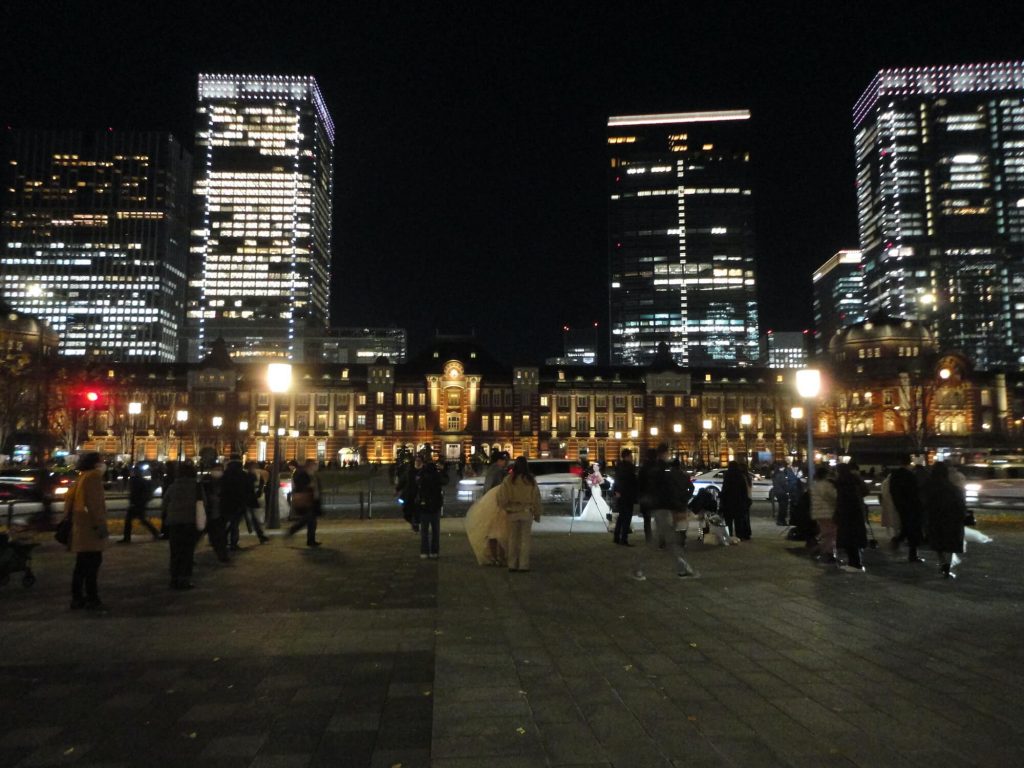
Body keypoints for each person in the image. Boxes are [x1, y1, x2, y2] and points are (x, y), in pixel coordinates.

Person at [631, 444, 696, 579]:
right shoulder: (662, 470)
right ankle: (638, 568)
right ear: (663, 453)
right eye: (667, 453)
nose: (668, 456)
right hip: (663, 508)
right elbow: (666, 491)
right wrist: (676, 505)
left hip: (659, 507)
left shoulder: (656, 469)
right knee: (665, 541)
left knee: (668, 540)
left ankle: (682, 568)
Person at [66, 452, 109, 611]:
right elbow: (95, 504)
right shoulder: (93, 478)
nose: (103, 463)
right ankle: (92, 598)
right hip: (91, 530)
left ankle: (77, 598)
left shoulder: (81, 477)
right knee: (92, 565)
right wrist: (100, 525)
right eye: (101, 460)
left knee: (81, 566)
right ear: (94, 463)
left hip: (81, 528)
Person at [496, 456, 542, 572]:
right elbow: (536, 498)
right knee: (525, 540)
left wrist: (505, 507)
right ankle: (523, 565)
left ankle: (512, 564)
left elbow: (502, 497)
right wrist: (537, 513)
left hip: (512, 512)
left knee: (512, 539)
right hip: (526, 512)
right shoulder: (531, 480)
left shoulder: (509, 480)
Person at [925, 462, 968, 579]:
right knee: (950, 543)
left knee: (938, 542)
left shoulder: (929, 487)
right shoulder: (952, 488)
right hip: (951, 518)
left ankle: (942, 561)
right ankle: (947, 565)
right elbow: (960, 504)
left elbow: (925, 503)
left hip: (936, 518)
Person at [162, 462, 201, 589]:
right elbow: (203, 503)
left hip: (174, 523)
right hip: (190, 522)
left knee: (175, 552)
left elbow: (165, 503)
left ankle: (174, 579)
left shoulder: (173, 486)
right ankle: (184, 580)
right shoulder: (196, 486)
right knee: (187, 553)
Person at [888, 455, 926, 563]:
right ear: (909, 463)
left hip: (901, 505)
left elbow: (892, 490)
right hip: (912, 505)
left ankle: (898, 540)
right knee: (913, 529)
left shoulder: (894, 475)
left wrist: (897, 503)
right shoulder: (911, 476)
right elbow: (915, 492)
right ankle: (912, 554)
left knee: (906, 525)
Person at [834, 463, 868, 572]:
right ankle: (855, 562)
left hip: (846, 514)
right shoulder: (855, 480)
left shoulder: (842, 483)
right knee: (854, 538)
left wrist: (838, 512)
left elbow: (841, 500)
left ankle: (854, 564)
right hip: (856, 513)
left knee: (848, 539)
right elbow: (865, 491)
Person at [415, 453, 444, 559]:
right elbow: (445, 481)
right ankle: (434, 552)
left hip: (424, 507)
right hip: (435, 508)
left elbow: (416, 483)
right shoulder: (437, 477)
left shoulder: (422, 477)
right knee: (435, 532)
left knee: (424, 532)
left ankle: (424, 552)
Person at [286, 459, 321, 547]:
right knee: (309, 520)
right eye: (314, 464)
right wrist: (309, 485)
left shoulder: (311, 474)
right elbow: (300, 485)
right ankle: (292, 531)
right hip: (306, 499)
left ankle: (310, 540)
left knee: (311, 521)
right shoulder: (302, 473)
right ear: (309, 465)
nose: (316, 466)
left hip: (311, 500)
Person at [121, 464, 159, 542]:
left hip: (136, 503)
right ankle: (155, 532)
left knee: (130, 520)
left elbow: (134, 493)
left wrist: (133, 502)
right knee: (142, 519)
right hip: (140, 503)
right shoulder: (141, 480)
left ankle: (127, 538)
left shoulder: (136, 481)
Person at [221, 457, 253, 551]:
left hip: (226, 503)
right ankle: (233, 543)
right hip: (238, 503)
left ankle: (223, 541)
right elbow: (248, 489)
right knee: (234, 525)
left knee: (225, 523)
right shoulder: (243, 475)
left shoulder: (225, 474)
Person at [200, 463, 230, 562]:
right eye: (216, 469)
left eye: (220, 469)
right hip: (207, 512)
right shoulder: (206, 480)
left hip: (219, 513)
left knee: (219, 535)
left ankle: (222, 555)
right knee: (201, 535)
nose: (218, 471)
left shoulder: (225, 481)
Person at [809, 464, 838, 563]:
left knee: (827, 533)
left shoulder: (815, 485)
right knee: (831, 534)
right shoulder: (826, 485)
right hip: (827, 512)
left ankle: (820, 549)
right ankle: (826, 552)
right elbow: (833, 497)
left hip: (819, 512)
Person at [719, 461, 752, 541]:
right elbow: (744, 490)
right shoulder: (740, 476)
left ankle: (729, 535)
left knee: (728, 521)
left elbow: (725, 489)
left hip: (728, 502)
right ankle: (739, 535)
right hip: (739, 502)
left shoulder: (727, 475)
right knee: (738, 521)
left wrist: (721, 499)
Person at [612, 448, 638, 546]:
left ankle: (616, 536)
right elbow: (631, 481)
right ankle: (624, 539)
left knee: (621, 516)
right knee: (627, 517)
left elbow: (617, 480)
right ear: (627, 457)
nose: (632, 458)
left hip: (621, 495)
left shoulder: (619, 466)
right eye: (631, 456)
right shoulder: (629, 467)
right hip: (628, 495)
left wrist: (616, 491)